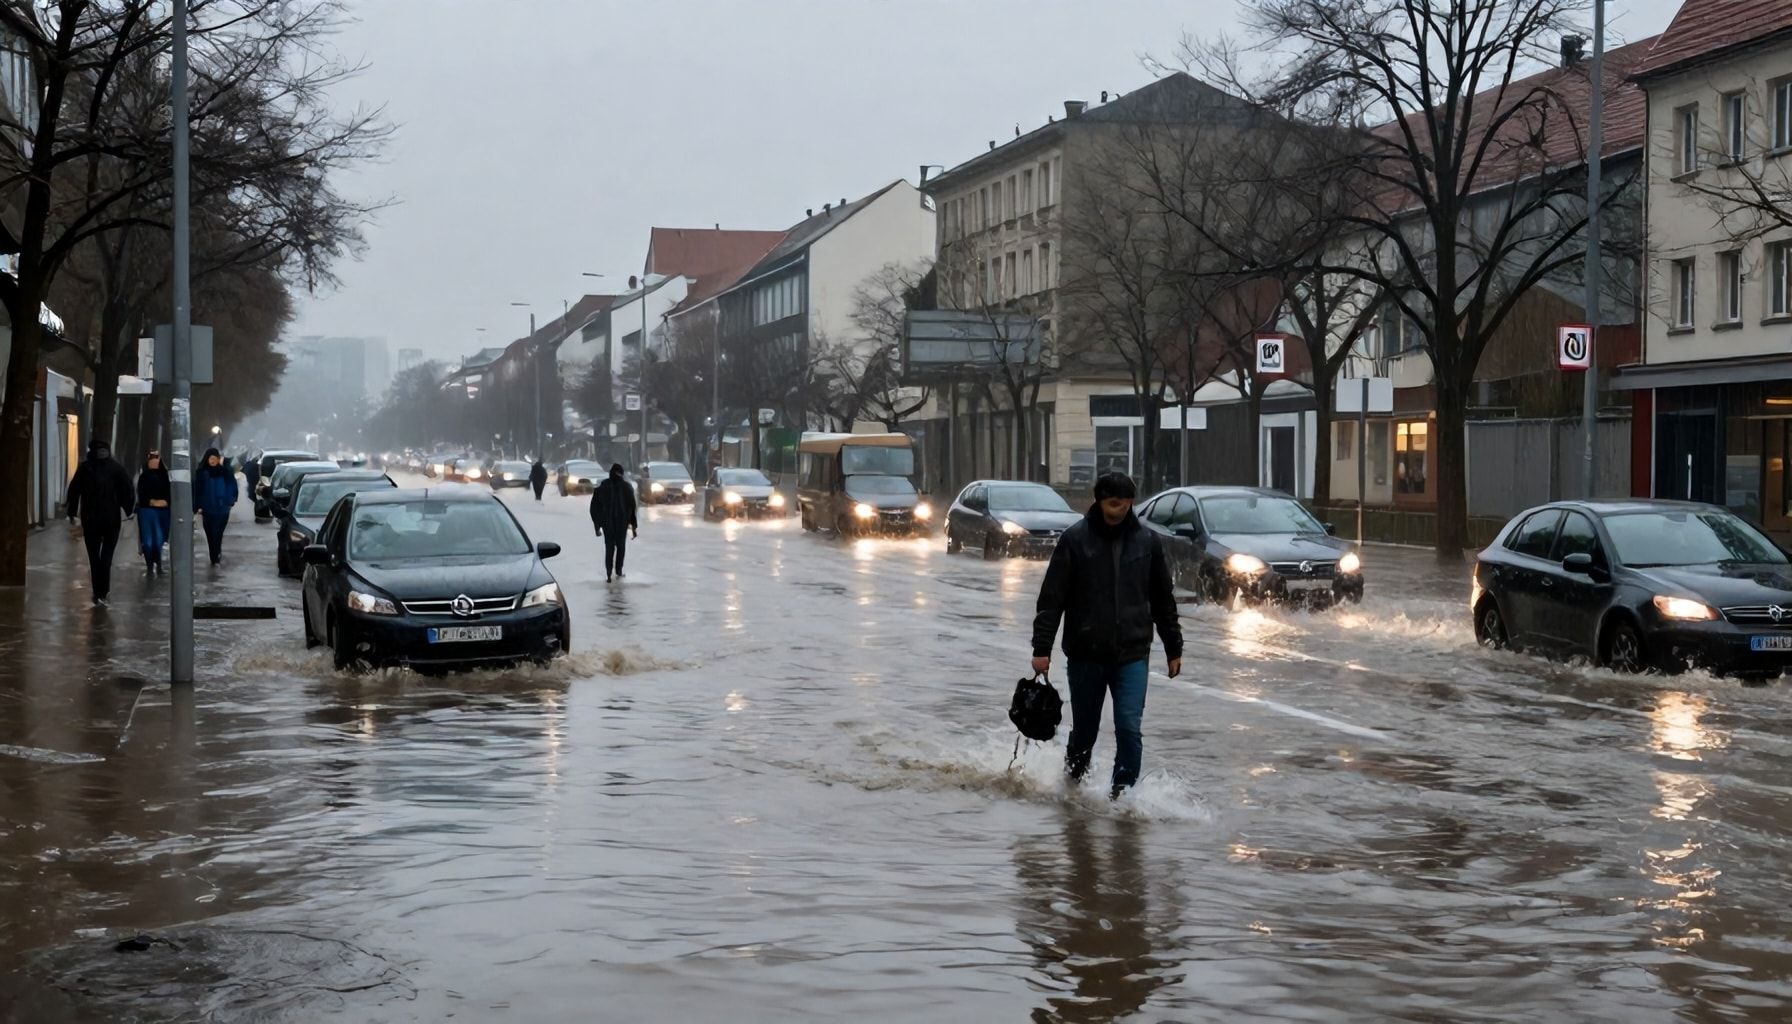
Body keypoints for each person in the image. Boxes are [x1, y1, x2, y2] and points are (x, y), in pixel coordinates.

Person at [1031, 471, 1183, 800]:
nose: (1121, 510)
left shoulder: (1147, 541)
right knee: (1085, 732)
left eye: (1127, 503)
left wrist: (1174, 646)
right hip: (1086, 654)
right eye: (1114, 503)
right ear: (1099, 501)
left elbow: (1162, 599)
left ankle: (1123, 797)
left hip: (1132, 654)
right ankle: (1072, 787)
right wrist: (1042, 648)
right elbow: (1052, 599)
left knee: (1129, 727)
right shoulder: (1074, 540)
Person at [65, 439, 136, 605]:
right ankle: (104, 590)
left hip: (90, 519)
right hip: (111, 519)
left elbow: (74, 490)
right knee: (107, 556)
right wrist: (128, 509)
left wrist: (71, 512)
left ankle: (98, 591)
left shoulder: (85, 468)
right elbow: (127, 489)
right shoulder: (116, 468)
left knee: (93, 556)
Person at [589, 463, 638, 582]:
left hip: (611, 524)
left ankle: (610, 573)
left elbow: (594, 509)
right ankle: (616, 572)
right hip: (618, 524)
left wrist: (597, 525)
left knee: (611, 548)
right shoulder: (624, 487)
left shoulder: (605, 487)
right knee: (619, 548)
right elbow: (632, 508)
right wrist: (633, 527)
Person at [193, 447, 239, 566]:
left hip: (222, 509)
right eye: (211, 459)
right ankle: (213, 554)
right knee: (210, 533)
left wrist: (230, 500)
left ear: (218, 459)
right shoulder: (202, 473)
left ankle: (216, 554)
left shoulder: (225, 472)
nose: (213, 461)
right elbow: (196, 491)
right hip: (207, 509)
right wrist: (197, 506)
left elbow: (233, 487)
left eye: (215, 458)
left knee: (218, 532)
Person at [135, 450, 172, 575]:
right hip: (147, 512)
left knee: (159, 540)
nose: (154, 463)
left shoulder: (165, 476)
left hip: (162, 513)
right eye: (151, 460)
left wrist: (165, 502)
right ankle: (150, 565)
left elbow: (170, 494)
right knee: (148, 541)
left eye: (156, 460)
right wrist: (154, 502)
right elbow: (141, 494)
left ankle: (159, 564)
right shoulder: (144, 477)